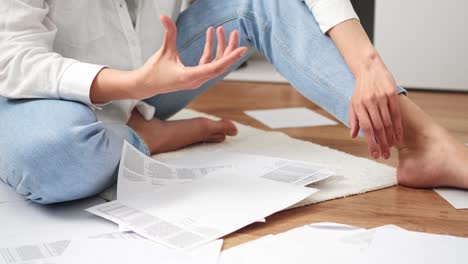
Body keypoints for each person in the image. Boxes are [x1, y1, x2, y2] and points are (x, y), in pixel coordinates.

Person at [0, 0, 466, 204]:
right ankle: (146, 135)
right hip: (48, 97)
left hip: (154, 73)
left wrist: (366, 61)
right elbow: (12, 59)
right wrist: (129, 85)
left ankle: (424, 142)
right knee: (53, 155)